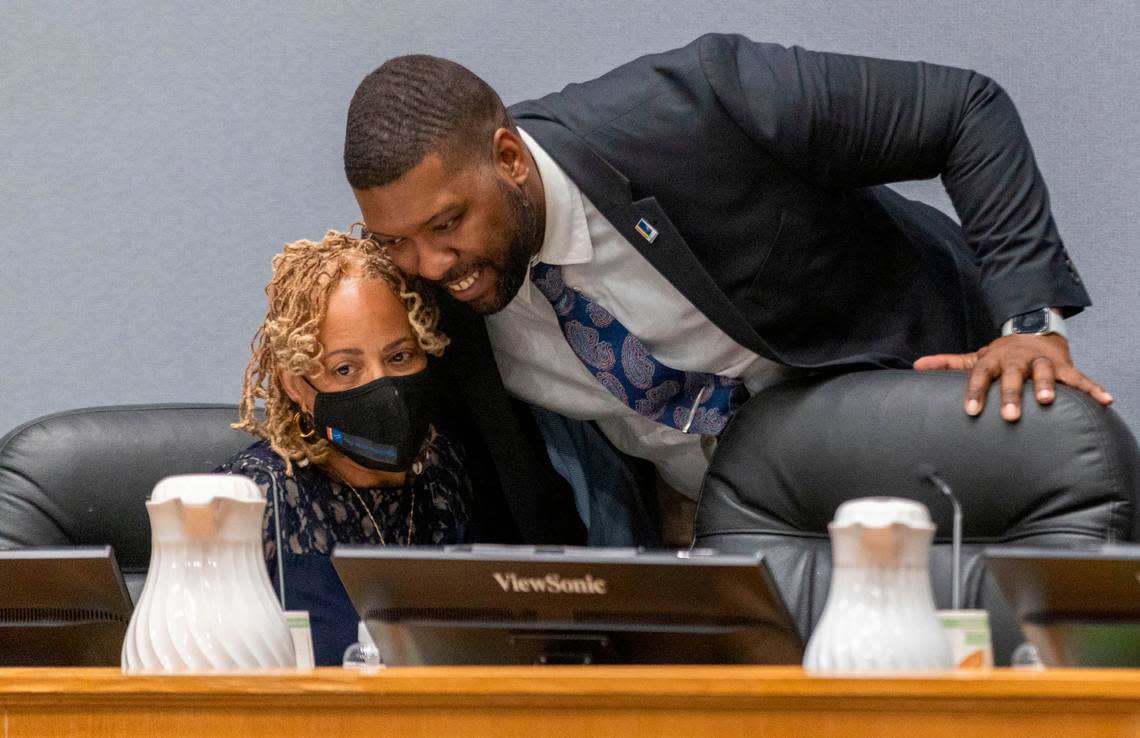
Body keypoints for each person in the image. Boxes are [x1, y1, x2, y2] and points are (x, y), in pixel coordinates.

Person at [340, 34, 1112, 546]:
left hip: (925, 427)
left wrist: (1028, 321)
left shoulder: (699, 107)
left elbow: (963, 110)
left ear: (509, 156)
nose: (431, 263)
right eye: (395, 240)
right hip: (737, 531)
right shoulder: (428, 285)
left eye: (448, 224)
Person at [217, 228, 471, 665]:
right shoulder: (256, 498)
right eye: (346, 368)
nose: (382, 386)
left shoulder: (444, 474)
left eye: (399, 357)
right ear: (298, 385)